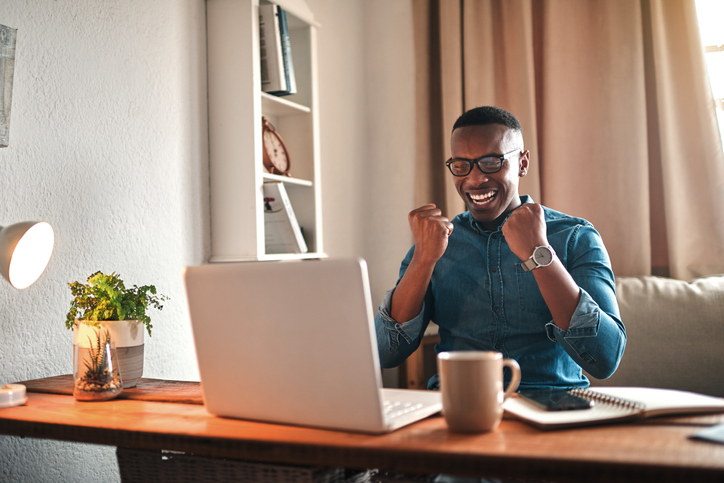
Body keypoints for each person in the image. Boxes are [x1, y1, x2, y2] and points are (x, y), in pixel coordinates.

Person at [375, 106, 626, 391]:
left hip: (553, 412)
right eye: (461, 165)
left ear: (522, 163)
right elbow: (385, 354)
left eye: (491, 162)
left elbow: (605, 358)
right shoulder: (434, 244)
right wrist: (423, 259)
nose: (474, 179)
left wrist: (538, 254)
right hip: (456, 412)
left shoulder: (576, 237)